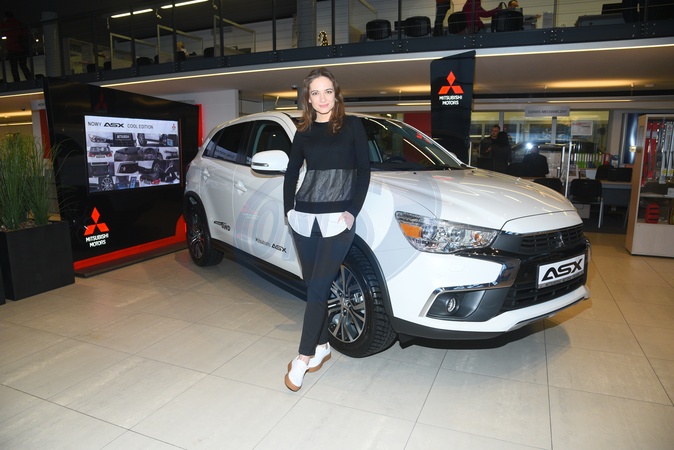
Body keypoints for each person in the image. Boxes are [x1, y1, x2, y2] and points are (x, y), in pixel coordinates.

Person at [283, 67, 370, 392]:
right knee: (313, 287)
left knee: (319, 288)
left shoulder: (352, 126)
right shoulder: (303, 132)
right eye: (315, 93)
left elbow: (364, 171)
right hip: (304, 218)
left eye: (328, 91)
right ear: (308, 98)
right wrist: (289, 210)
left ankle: (303, 357)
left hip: (337, 220)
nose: (322, 98)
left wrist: (352, 211)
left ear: (336, 94)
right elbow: (292, 172)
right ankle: (322, 346)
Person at [1, 11, 33, 82]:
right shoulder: (19, 23)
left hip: (12, 49)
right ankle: (30, 79)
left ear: (6, 17)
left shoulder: (5, 24)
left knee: (14, 67)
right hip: (22, 49)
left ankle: (17, 82)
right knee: (23, 65)